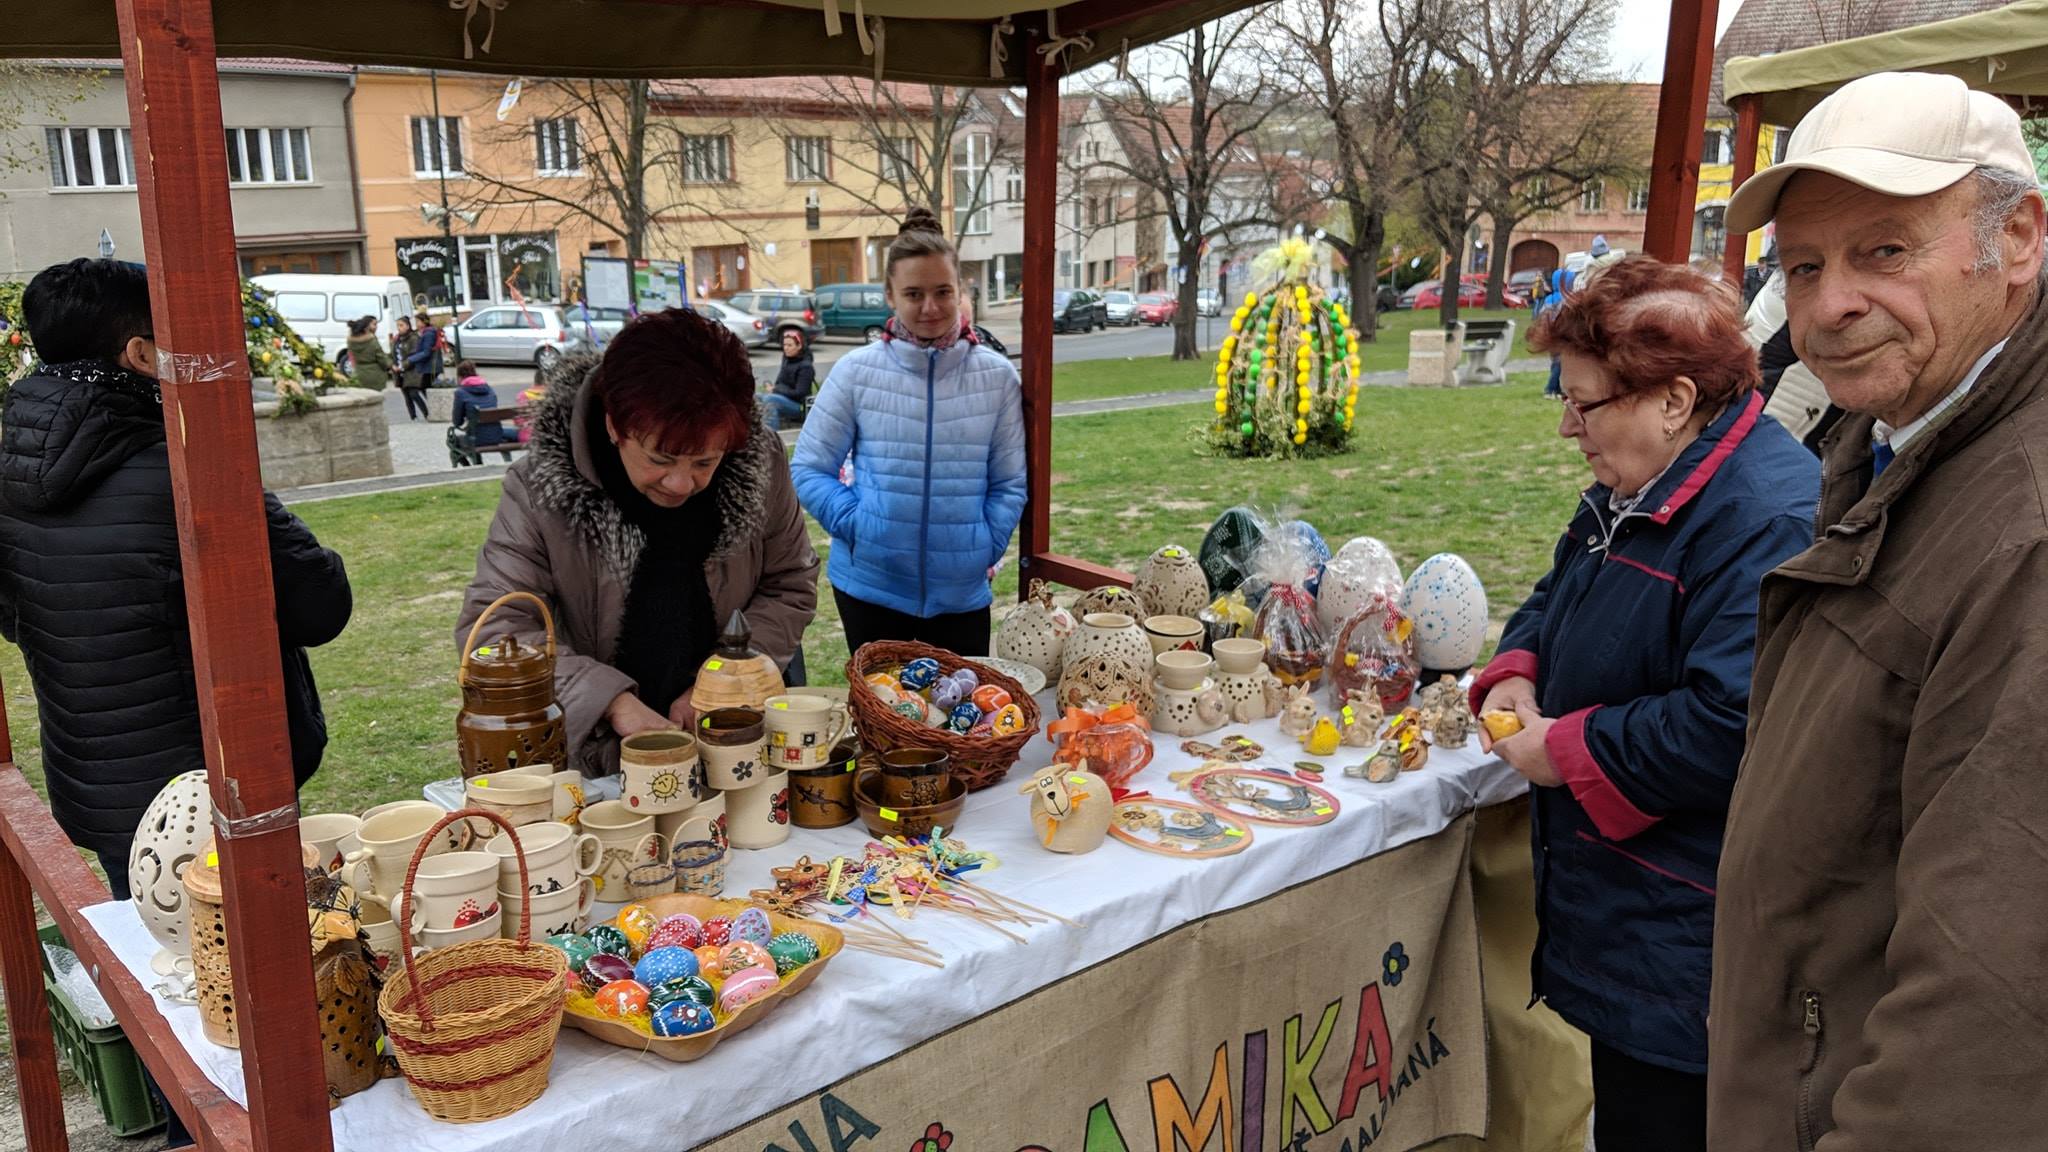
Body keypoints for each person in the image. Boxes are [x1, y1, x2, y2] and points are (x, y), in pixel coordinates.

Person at [1708, 71, 2048, 1149]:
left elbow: (1986, 1014)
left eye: (1882, 251)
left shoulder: (2023, 525)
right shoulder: (1898, 437)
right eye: (1801, 267)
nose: (1826, 304)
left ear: (2019, 239)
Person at [1469, 256, 1819, 1152]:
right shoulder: (1649, 482)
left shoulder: (1763, 520)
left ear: (1672, 400)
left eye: (1583, 404)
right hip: (1633, 925)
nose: (1566, 428)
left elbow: (1729, 724)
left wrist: (1566, 751)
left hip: (1691, 947)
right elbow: (1561, 592)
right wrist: (1514, 666)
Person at [0, 258, 352, 897]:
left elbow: (17, 618)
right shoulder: (190, 471)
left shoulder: (8, 473)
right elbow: (321, 604)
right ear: (139, 353)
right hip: (212, 782)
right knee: (236, 969)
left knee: (158, 962)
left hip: (94, 779)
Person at [456, 307, 818, 775]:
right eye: (661, 458)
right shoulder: (538, 487)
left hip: (734, 734)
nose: (681, 484)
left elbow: (790, 582)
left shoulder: (760, 459)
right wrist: (611, 702)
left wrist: (720, 682)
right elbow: (497, 630)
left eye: (705, 462)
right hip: (601, 753)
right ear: (614, 426)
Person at [791, 206, 1025, 656]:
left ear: (962, 290)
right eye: (914, 294)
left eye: (943, 291)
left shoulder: (995, 377)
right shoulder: (856, 372)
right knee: (882, 717)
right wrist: (858, 526)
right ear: (890, 295)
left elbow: (1009, 481)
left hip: (960, 594)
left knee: (959, 719)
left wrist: (985, 545)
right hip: (869, 588)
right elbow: (809, 468)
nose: (931, 307)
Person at [447, 360, 507, 467]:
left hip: (475, 440)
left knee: (452, 441)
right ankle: (477, 464)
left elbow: (457, 422)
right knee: (476, 431)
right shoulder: (489, 389)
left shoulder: (460, 392)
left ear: (460, 377)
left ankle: (470, 468)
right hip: (496, 435)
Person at [761, 328, 813, 431]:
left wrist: (776, 390)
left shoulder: (806, 367)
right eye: (784, 345)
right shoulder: (786, 361)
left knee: (770, 400)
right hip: (782, 397)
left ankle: (773, 435)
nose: (786, 348)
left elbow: (800, 393)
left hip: (798, 405)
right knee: (755, 398)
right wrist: (772, 387)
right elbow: (779, 383)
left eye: (790, 345)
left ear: (799, 346)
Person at [400, 310, 442, 418]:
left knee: (424, 388)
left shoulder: (428, 333)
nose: (416, 324)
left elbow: (426, 352)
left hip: (430, 366)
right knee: (425, 388)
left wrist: (411, 359)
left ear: (424, 322)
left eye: (418, 321)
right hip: (428, 366)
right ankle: (434, 411)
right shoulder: (426, 332)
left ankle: (434, 411)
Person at [345, 315, 394, 390]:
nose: (376, 327)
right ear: (366, 328)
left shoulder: (350, 341)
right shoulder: (371, 340)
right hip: (374, 376)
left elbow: (351, 356)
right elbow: (382, 359)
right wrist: (391, 364)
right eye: (374, 324)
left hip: (358, 374)